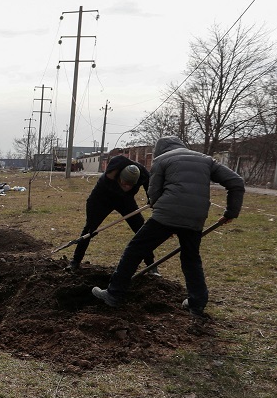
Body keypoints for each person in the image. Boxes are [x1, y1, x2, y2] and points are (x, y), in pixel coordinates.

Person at [92, 136, 244, 318]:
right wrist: (231, 213)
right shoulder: (206, 160)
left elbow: (154, 193)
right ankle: (197, 304)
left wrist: (163, 220)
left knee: (135, 250)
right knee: (191, 259)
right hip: (195, 217)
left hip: (167, 214)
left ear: (159, 150)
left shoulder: (161, 160)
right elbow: (236, 182)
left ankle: (113, 294)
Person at [66, 157, 157, 274]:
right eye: (124, 183)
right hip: (102, 200)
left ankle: (151, 265)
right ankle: (75, 262)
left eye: (130, 185)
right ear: (119, 177)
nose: (127, 187)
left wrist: (151, 198)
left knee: (141, 229)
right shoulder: (110, 174)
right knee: (90, 230)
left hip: (125, 201)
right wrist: (92, 221)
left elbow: (150, 186)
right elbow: (93, 202)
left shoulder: (142, 174)